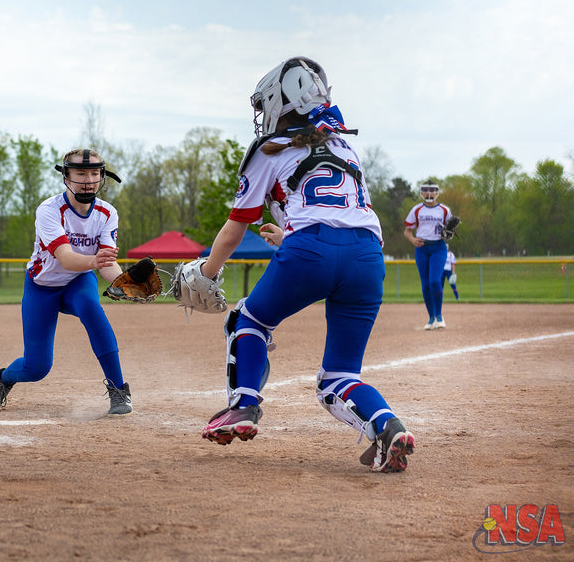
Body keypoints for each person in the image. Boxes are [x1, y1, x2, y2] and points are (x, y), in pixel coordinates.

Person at [194, 57, 415, 472]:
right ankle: (387, 427)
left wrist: (206, 273)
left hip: (311, 251)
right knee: (340, 376)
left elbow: (235, 227)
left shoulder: (270, 148)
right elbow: (339, 216)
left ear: (281, 101)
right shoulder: (344, 145)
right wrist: (290, 237)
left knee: (247, 320)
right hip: (368, 258)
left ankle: (243, 404)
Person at [0, 148, 133, 415]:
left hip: (78, 281)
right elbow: (66, 258)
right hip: (43, 287)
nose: (88, 180)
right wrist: (96, 261)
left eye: (94, 173)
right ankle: (3, 378)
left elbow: (106, 263)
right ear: (66, 176)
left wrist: (123, 282)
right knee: (36, 368)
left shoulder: (107, 213)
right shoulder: (49, 210)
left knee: (91, 308)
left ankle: (119, 391)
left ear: (102, 176)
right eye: (80, 173)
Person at [404, 181, 456, 329]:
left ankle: (439, 316)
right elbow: (407, 231)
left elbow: (451, 230)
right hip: (421, 248)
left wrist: (449, 234)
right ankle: (431, 318)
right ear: (421, 193)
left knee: (434, 281)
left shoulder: (444, 210)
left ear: (437, 192)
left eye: (432, 190)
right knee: (426, 285)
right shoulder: (417, 209)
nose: (429, 193)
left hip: (438, 247)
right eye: (425, 190)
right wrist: (413, 240)